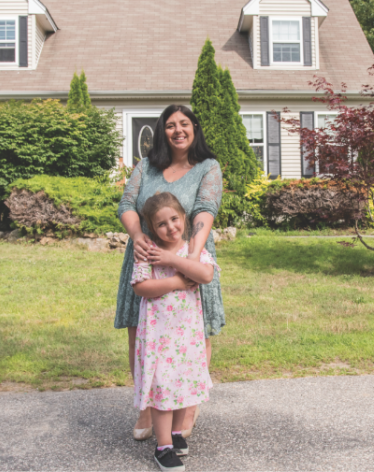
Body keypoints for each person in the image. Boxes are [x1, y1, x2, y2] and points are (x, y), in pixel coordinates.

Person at [116, 104, 225, 440]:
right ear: (162, 131)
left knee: (195, 333)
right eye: (170, 125)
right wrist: (137, 237)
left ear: (195, 127)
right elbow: (127, 204)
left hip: (189, 252)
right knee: (141, 333)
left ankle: (187, 411)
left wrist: (190, 257)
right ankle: (147, 408)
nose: (178, 130)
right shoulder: (146, 166)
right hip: (146, 257)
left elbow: (205, 210)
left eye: (185, 124)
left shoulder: (208, 167)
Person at [131, 192, 218, 472]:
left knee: (183, 383)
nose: (170, 227)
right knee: (162, 387)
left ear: (183, 218)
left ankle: (177, 434)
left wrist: (173, 262)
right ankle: (163, 446)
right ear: (151, 229)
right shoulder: (147, 252)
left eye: (174, 219)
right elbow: (140, 287)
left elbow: (205, 275)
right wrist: (178, 284)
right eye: (161, 224)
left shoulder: (193, 250)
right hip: (158, 336)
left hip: (186, 335)